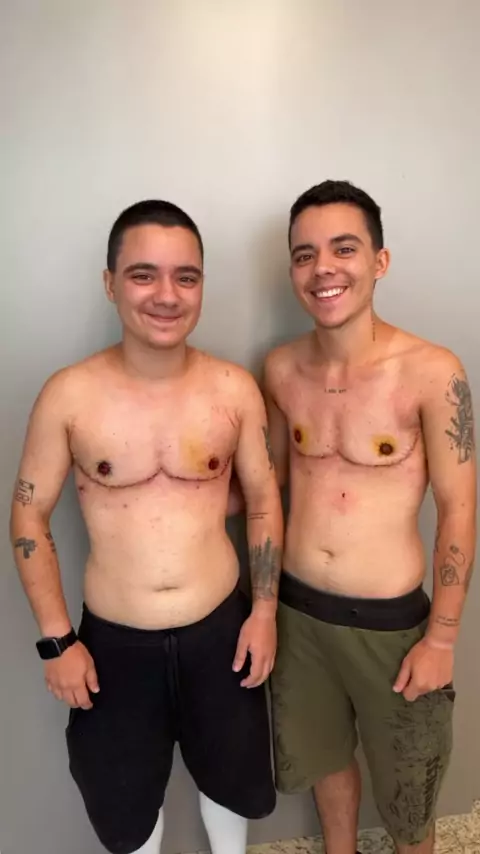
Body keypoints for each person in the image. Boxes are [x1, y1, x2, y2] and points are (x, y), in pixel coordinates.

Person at [10, 200, 282, 854]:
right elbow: (28, 514)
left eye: (186, 277)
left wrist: (265, 612)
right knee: (126, 800)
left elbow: (264, 501)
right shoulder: (69, 395)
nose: (167, 295)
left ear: (201, 286)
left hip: (222, 631)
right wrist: (57, 640)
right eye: (143, 275)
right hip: (114, 645)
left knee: (232, 781)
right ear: (110, 283)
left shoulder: (232, 389)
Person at [264, 180, 476, 854]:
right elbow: (267, 491)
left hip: (392, 625)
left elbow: (459, 508)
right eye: (304, 254)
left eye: (343, 248)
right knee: (326, 764)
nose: (322, 268)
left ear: (379, 261)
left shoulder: (433, 371)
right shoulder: (280, 369)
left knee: (410, 793)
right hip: (299, 615)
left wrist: (442, 638)